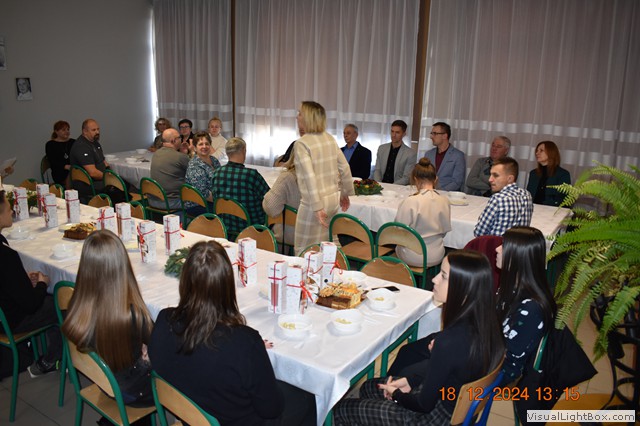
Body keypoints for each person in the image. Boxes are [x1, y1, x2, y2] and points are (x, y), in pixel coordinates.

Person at [149, 240, 316, 425]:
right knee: (309, 398)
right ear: (227, 284)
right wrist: (251, 351)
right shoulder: (243, 343)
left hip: (193, 413)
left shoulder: (164, 320)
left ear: (184, 281)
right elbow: (271, 409)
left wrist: (249, 351)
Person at [334, 251, 505, 425]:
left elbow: (423, 405)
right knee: (368, 387)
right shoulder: (487, 322)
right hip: (451, 401)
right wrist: (411, 381)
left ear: (464, 287)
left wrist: (397, 395)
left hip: (434, 417)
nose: (434, 279)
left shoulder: (450, 341)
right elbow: (450, 374)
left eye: (443, 276)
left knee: (342, 409)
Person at [62, 230, 154, 407]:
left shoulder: (77, 302)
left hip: (104, 382)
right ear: (123, 265)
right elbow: (155, 344)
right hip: (132, 391)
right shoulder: (132, 314)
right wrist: (145, 360)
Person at [0, 190, 62, 377]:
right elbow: (31, 304)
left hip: (5, 310)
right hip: (12, 320)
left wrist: (23, 280)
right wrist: (42, 284)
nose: (12, 212)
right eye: (8, 209)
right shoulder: (6, 255)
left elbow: (7, 281)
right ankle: (52, 360)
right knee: (63, 304)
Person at [495, 227, 556, 388]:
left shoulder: (531, 309)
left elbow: (508, 357)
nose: (497, 249)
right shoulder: (512, 286)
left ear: (519, 256)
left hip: (500, 370)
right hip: (492, 349)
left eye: (503, 245)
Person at [293, 101, 354, 255]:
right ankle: (337, 269)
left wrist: (317, 207)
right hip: (332, 200)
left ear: (307, 117)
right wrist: (345, 193)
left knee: (303, 250)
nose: (297, 117)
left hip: (313, 203)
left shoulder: (302, 143)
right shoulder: (329, 138)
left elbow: (309, 177)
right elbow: (345, 168)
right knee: (329, 246)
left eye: (300, 113)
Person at [394, 158, 451, 269]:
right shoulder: (444, 201)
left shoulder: (411, 201)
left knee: (397, 244)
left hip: (412, 256)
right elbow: (444, 231)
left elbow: (399, 230)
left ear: (415, 179)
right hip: (437, 254)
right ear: (436, 179)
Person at [212, 137, 270, 239]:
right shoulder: (251, 175)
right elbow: (269, 198)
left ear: (227, 153)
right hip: (251, 226)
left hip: (225, 224)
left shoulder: (217, 173)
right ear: (244, 151)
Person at [474, 157, 533, 237]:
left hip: (497, 244)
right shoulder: (527, 195)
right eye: (490, 174)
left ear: (510, 179)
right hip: (520, 244)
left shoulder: (498, 199)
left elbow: (479, 233)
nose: (490, 179)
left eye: (495, 175)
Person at [262, 150, 301, 249]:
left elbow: (271, 208)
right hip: (316, 238)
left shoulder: (287, 177)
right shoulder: (326, 178)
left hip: (288, 235)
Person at [150, 128, 190, 209]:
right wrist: (192, 151)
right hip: (171, 202)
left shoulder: (156, 153)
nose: (181, 139)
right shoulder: (180, 157)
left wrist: (182, 153)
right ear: (173, 140)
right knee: (202, 200)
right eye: (179, 137)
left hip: (152, 200)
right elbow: (195, 170)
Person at [69, 118, 108, 201]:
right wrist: (109, 179)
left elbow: (103, 162)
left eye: (98, 129)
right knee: (122, 190)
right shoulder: (81, 146)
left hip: (99, 180)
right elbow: (93, 173)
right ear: (85, 131)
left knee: (127, 185)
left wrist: (111, 174)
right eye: (93, 130)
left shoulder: (95, 142)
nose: (97, 132)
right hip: (89, 184)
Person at [185, 131, 221, 216]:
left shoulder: (214, 160)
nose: (204, 146)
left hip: (214, 200)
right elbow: (203, 193)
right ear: (195, 148)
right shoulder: (194, 166)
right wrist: (221, 203)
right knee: (229, 213)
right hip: (198, 204)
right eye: (200, 144)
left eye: (207, 144)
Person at [526, 141, 571, 206]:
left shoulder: (563, 174)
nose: (537, 153)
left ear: (551, 153)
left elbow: (564, 200)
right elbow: (528, 196)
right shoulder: (533, 173)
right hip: (532, 209)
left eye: (541, 150)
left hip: (553, 210)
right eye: (537, 151)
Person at [423, 122, 466, 191]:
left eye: (435, 133)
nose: (431, 137)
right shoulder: (428, 154)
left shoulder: (458, 156)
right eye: (432, 133)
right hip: (429, 192)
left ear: (445, 136)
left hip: (448, 194)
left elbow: (457, 182)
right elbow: (424, 176)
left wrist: (440, 192)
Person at [373, 120, 415, 185]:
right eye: (392, 131)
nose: (393, 135)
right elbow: (377, 170)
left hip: (398, 188)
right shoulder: (382, 148)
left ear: (404, 134)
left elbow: (407, 177)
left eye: (397, 132)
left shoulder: (410, 153)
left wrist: (391, 187)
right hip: (380, 186)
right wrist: (379, 184)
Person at [45, 120, 76, 186]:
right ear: (56, 131)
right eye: (63, 130)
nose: (67, 132)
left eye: (68, 129)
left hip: (73, 169)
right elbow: (52, 161)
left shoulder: (73, 142)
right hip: (59, 171)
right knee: (72, 175)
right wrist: (65, 166)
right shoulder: (50, 144)